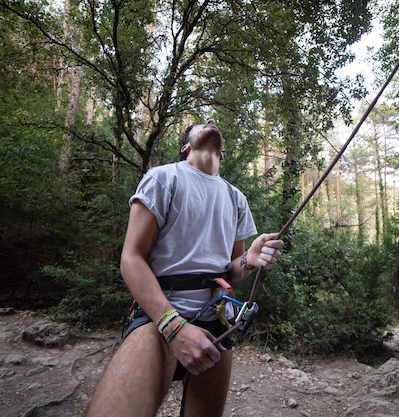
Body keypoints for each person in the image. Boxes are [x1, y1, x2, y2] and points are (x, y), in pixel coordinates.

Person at [86, 119, 284, 417]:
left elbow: (232, 271)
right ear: (186, 147)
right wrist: (174, 327)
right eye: (201, 123)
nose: (211, 121)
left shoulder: (236, 198)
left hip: (217, 321)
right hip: (161, 316)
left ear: (222, 155)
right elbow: (131, 258)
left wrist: (249, 260)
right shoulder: (163, 178)